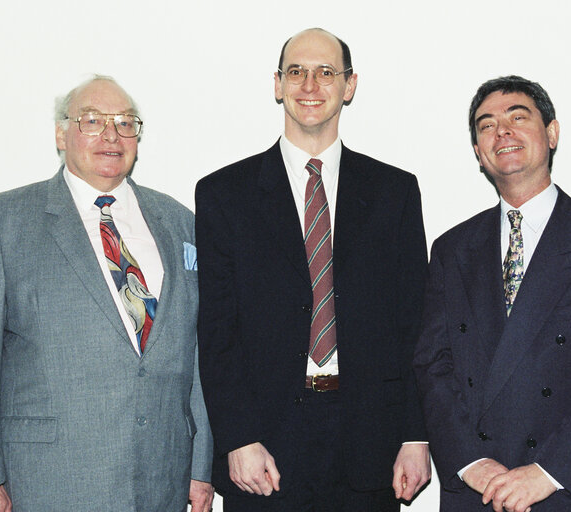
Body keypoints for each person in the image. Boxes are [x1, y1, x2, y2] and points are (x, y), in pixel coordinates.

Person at [0, 75, 213, 512]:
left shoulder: (181, 222)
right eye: (92, 120)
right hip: (47, 482)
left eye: (126, 122)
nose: (111, 134)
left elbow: (200, 352)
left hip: (162, 480)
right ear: (61, 133)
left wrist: (201, 466)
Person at [195, 28, 431, 512]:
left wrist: (415, 435)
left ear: (350, 86)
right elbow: (217, 332)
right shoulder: (224, 194)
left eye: (326, 72)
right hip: (264, 449)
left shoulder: (395, 192)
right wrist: (237, 437)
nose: (310, 85)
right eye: (296, 72)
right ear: (277, 85)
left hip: (371, 443)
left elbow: (415, 323)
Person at [413, 75, 571, 512]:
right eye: (486, 125)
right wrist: (469, 461)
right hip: (476, 488)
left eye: (518, 117)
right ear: (479, 154)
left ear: (552, 133)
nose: (502, 131)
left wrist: (547, 471)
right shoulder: (451, 249)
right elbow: (433, 365)